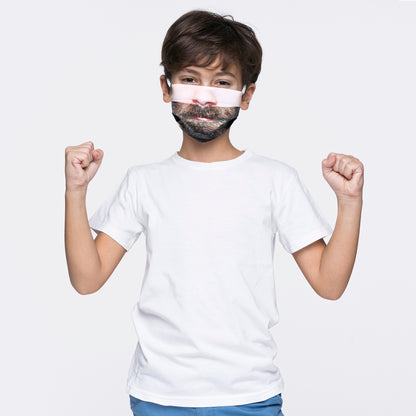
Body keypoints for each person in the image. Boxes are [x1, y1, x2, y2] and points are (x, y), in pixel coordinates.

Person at [64, 9, 364, 416]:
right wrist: (76, 191)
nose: (205, 97)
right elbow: (87, 279)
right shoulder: (143, 182)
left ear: (246, 95)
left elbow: (329, 284)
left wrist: (349, 202)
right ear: (166, 87)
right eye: (190, 79)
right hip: (159, 395)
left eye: (222, 83)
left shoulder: (274, 180)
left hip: (249, 394)